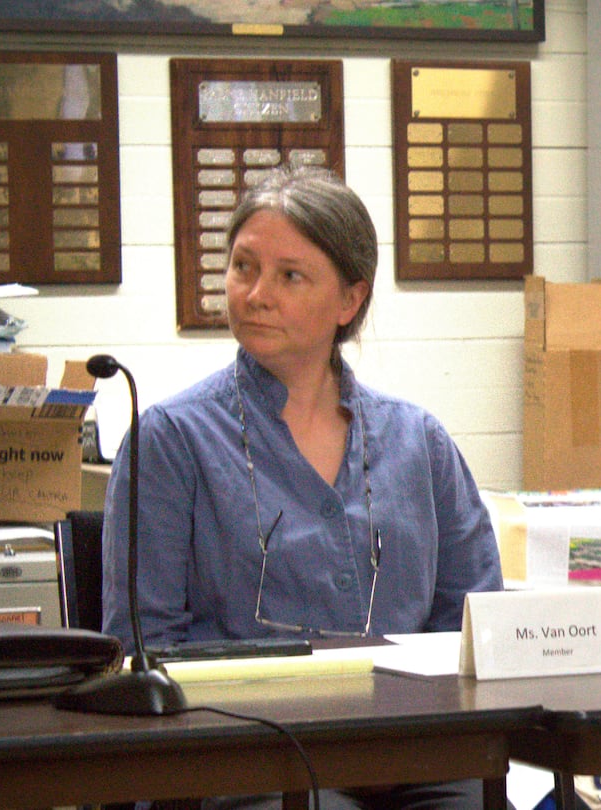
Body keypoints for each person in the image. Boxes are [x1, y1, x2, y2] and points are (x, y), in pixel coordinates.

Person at [102, 165, 503, 809]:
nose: (256, 293)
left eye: (290, 275)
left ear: (349, 300)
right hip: (243, 760)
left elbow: (475, 624)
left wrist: (398, 743)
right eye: (243, 267)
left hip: (415, 754)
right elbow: (145, 651)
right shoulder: (171, 440)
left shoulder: (419, 441)